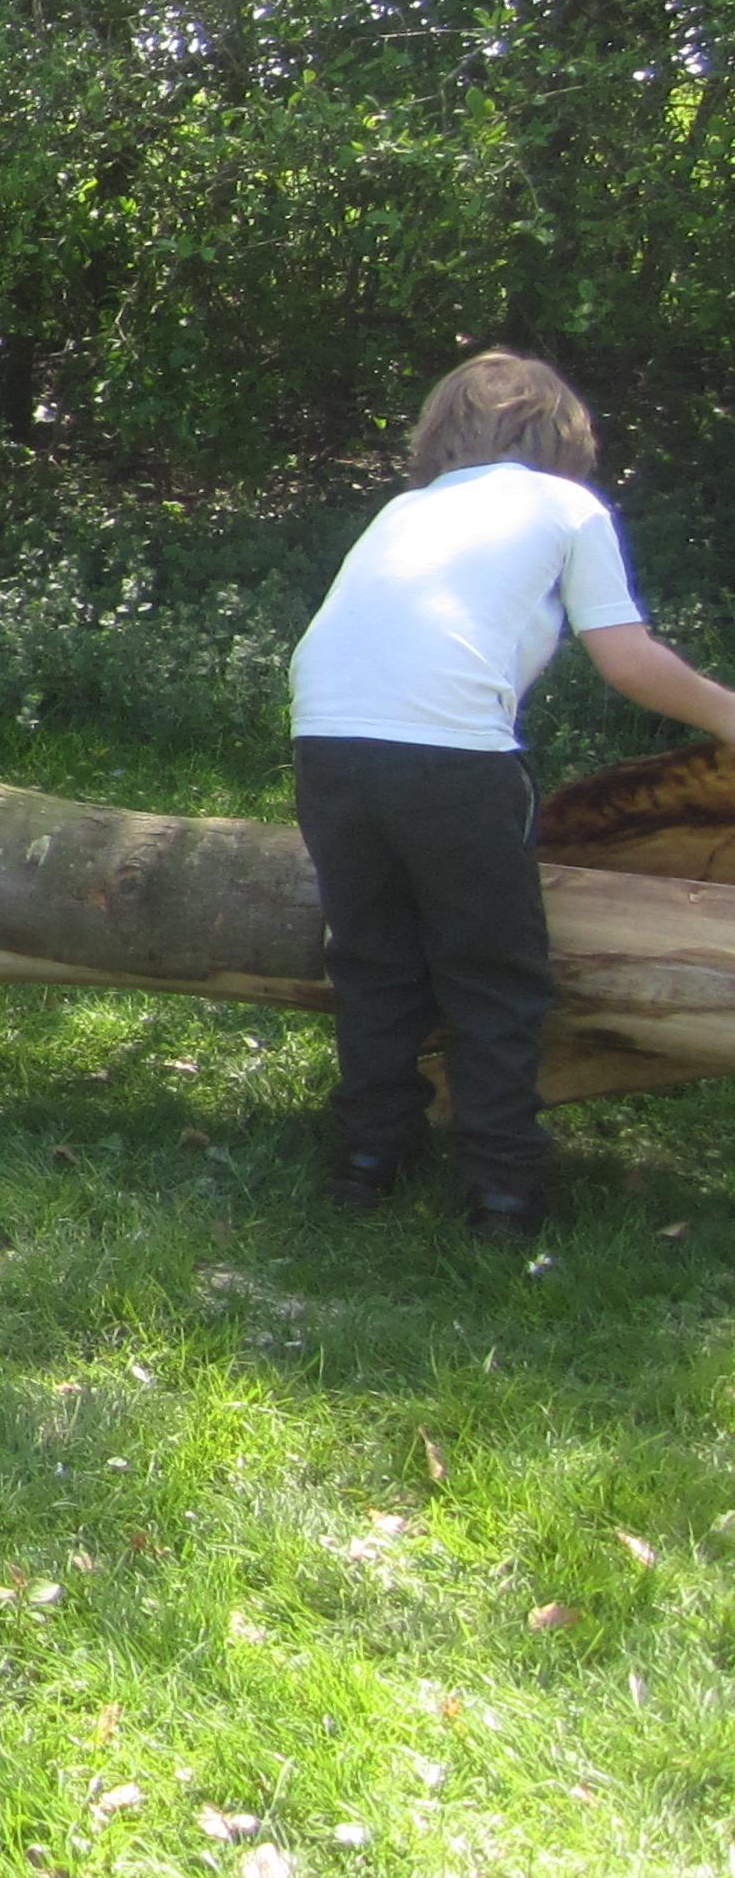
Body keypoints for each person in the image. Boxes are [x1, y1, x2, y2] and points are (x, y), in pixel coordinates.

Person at [290, 350, 735, 1241]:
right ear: (565, 438)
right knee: (491, 973)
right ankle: (503, 1192)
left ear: (441, 434)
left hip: (325, 742)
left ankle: (368, 1160)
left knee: (373, 957)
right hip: (453, 758)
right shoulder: (566, 505)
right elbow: (628, 661)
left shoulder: (405, 508)